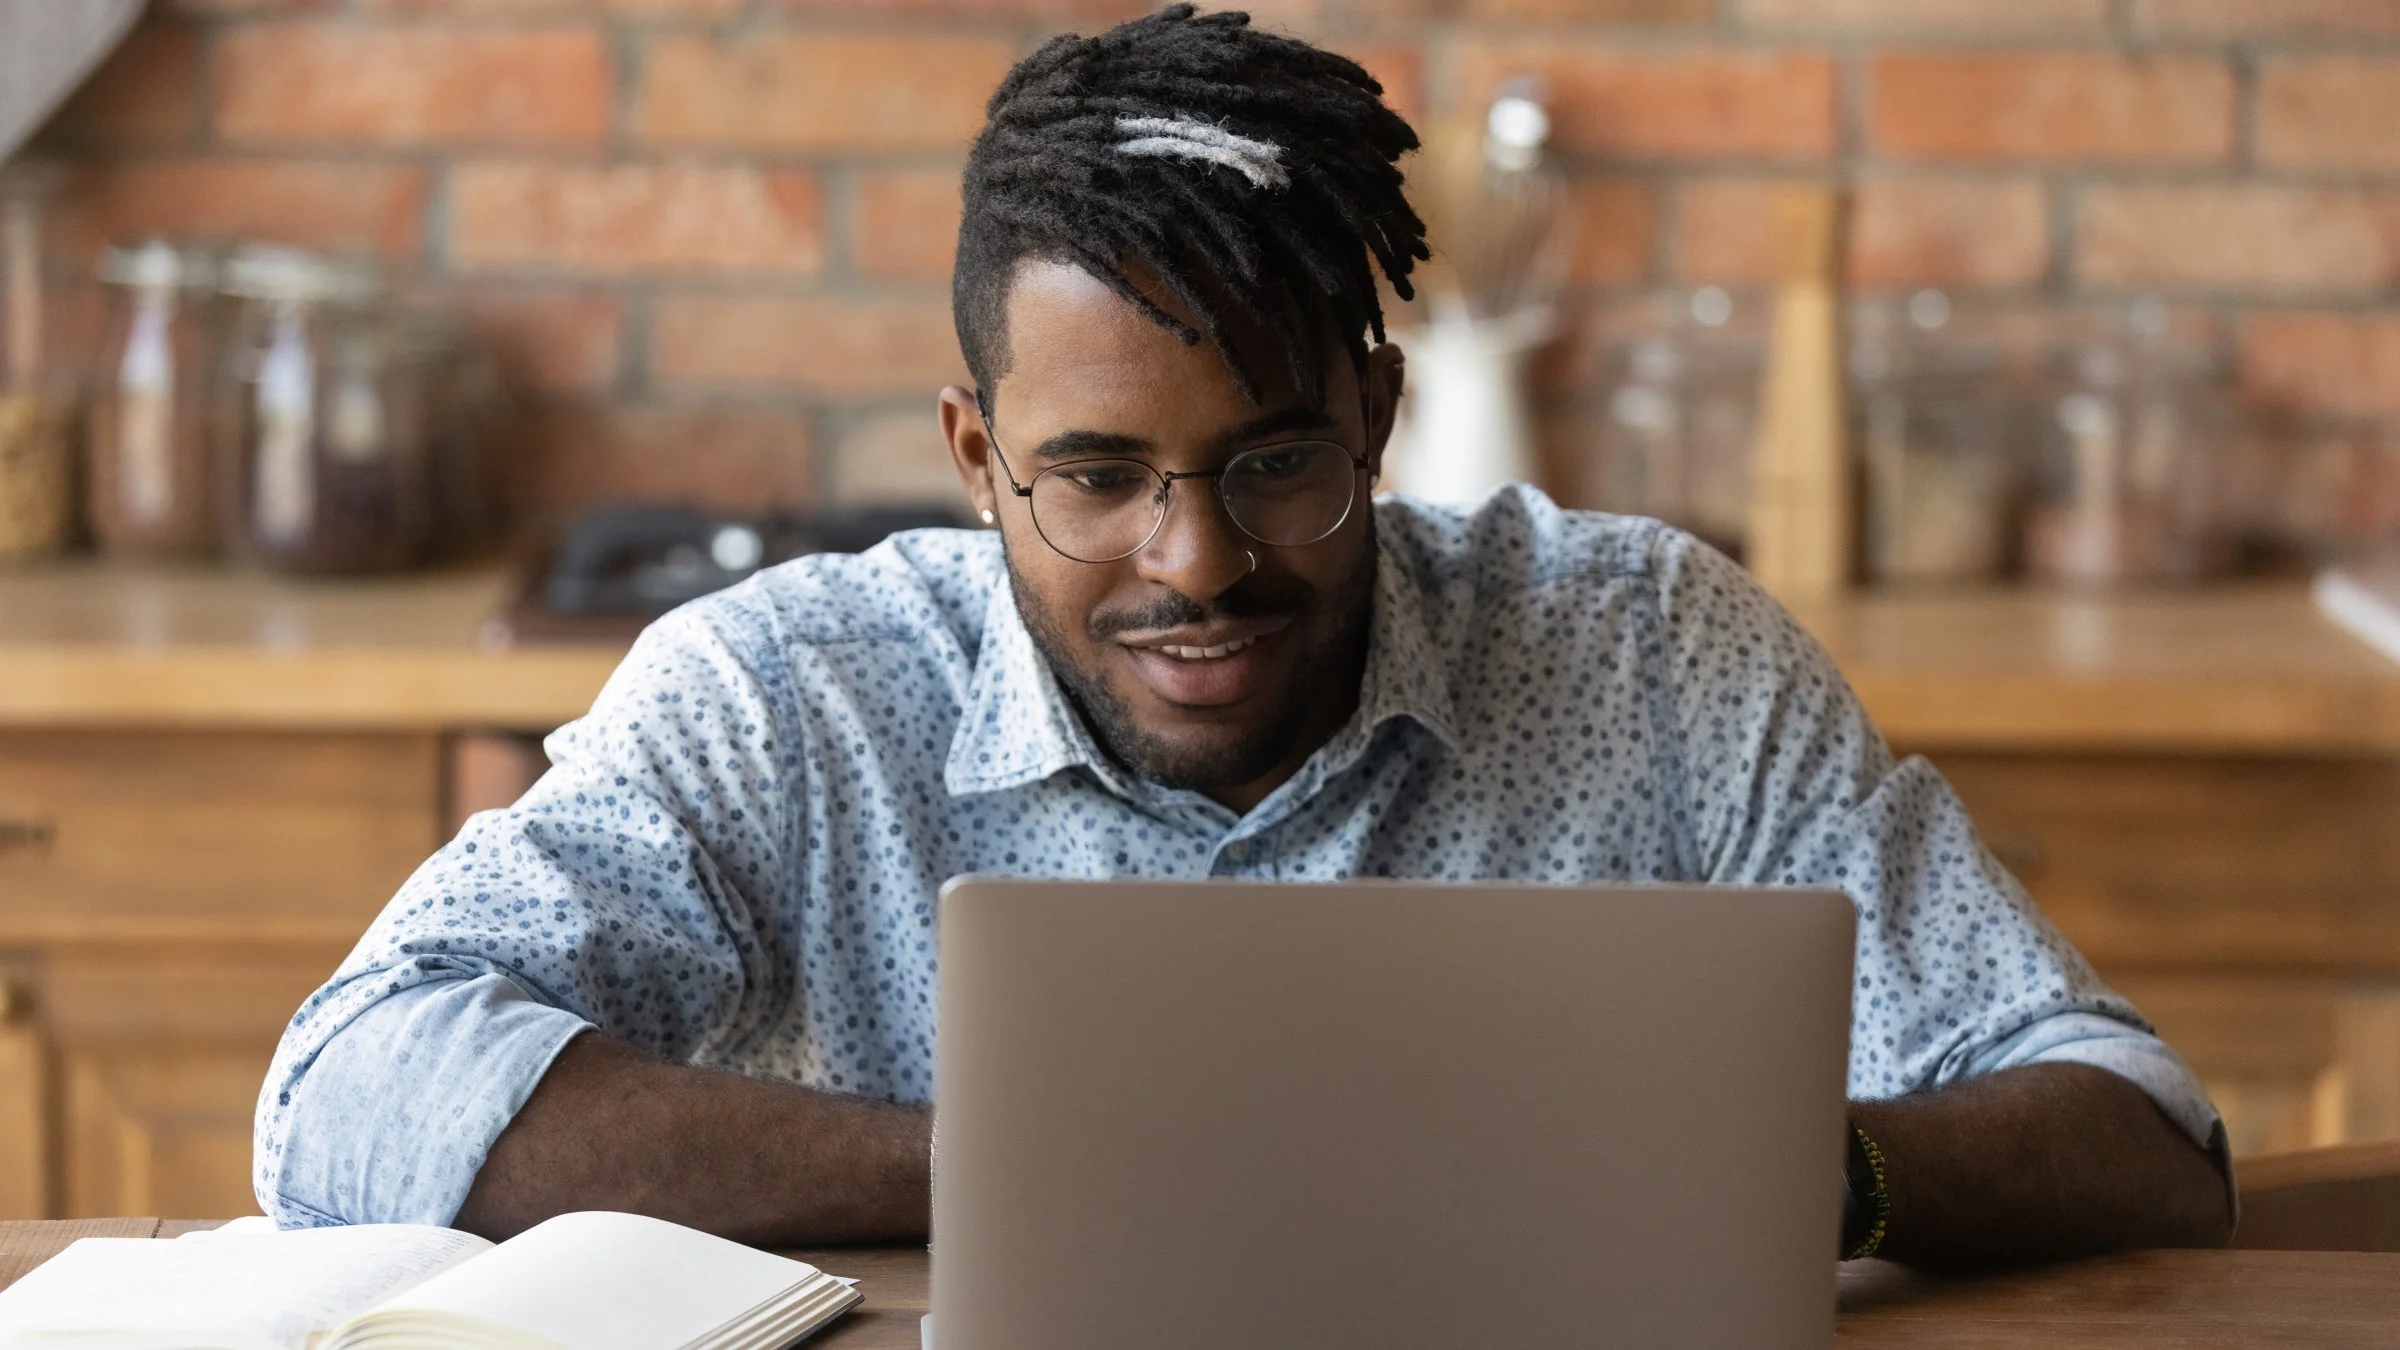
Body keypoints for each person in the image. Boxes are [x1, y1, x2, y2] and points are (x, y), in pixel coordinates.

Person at [254, 5, 2232, 1270]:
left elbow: (2136, 1127)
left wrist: (1812, 1174)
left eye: (1275, 461)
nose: (1191, 560)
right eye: (1095, 475)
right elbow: (350, 1092)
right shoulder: (786, 696)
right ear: (973, 452)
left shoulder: (1655, 652)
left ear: (1374, 415)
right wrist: (1063, 1169)